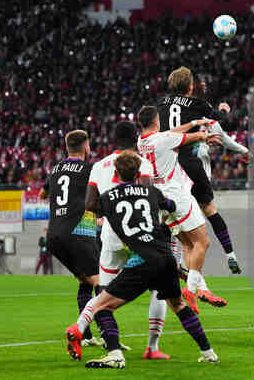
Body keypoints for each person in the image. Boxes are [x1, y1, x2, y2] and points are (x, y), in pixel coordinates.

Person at [66, 152, 219, 367]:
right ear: (139, 173)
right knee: (178, 304)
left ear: (116, 173)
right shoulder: (151, 191)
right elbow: (172, 205)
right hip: (165, 256)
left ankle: (114, 354)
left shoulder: (108, 198)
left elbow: (90, 206)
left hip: (141, 261)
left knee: (102, 307)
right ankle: (208, 352)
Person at [84, 121, 166, 362]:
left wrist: (110, 210)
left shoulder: (99, 165)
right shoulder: (144, 164)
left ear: (113, 139)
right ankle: (152, 346)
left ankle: (113, 350)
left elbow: (89, 204)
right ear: (137, 137)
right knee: (158, 289)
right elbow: (148, 198)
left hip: (112, 234)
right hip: (142, 236)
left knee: (103, 295)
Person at [136, 105, 227, 312]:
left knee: (188, 246)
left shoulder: (142, 141)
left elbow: (171, 133)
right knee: (203, 242)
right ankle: (191, 288)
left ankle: (201, 289)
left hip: (161, 199)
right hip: (178, 196)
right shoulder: (165, 140)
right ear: (156, 120)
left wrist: (195, 123)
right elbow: (191, 138)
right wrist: (204, 133)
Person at [157, 66, 242, 274]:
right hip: (190, 163)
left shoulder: (161, 104)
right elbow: (218, 119)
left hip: (166, 165)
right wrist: (224, 109)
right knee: (209, 209)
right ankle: (230, 253)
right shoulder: (197, 103)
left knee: (168, 213)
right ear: (191, 86)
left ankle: (172, 259)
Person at [39, 130, 104, 348]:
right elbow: (99, 194)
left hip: (54, 235)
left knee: (85, 280)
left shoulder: (55, 169)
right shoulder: (90, 169)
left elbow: (43, 194)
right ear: (86, 147)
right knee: (100, 282)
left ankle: (86, 337)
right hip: (79, 231)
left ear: (67, 148)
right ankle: (108, 335)